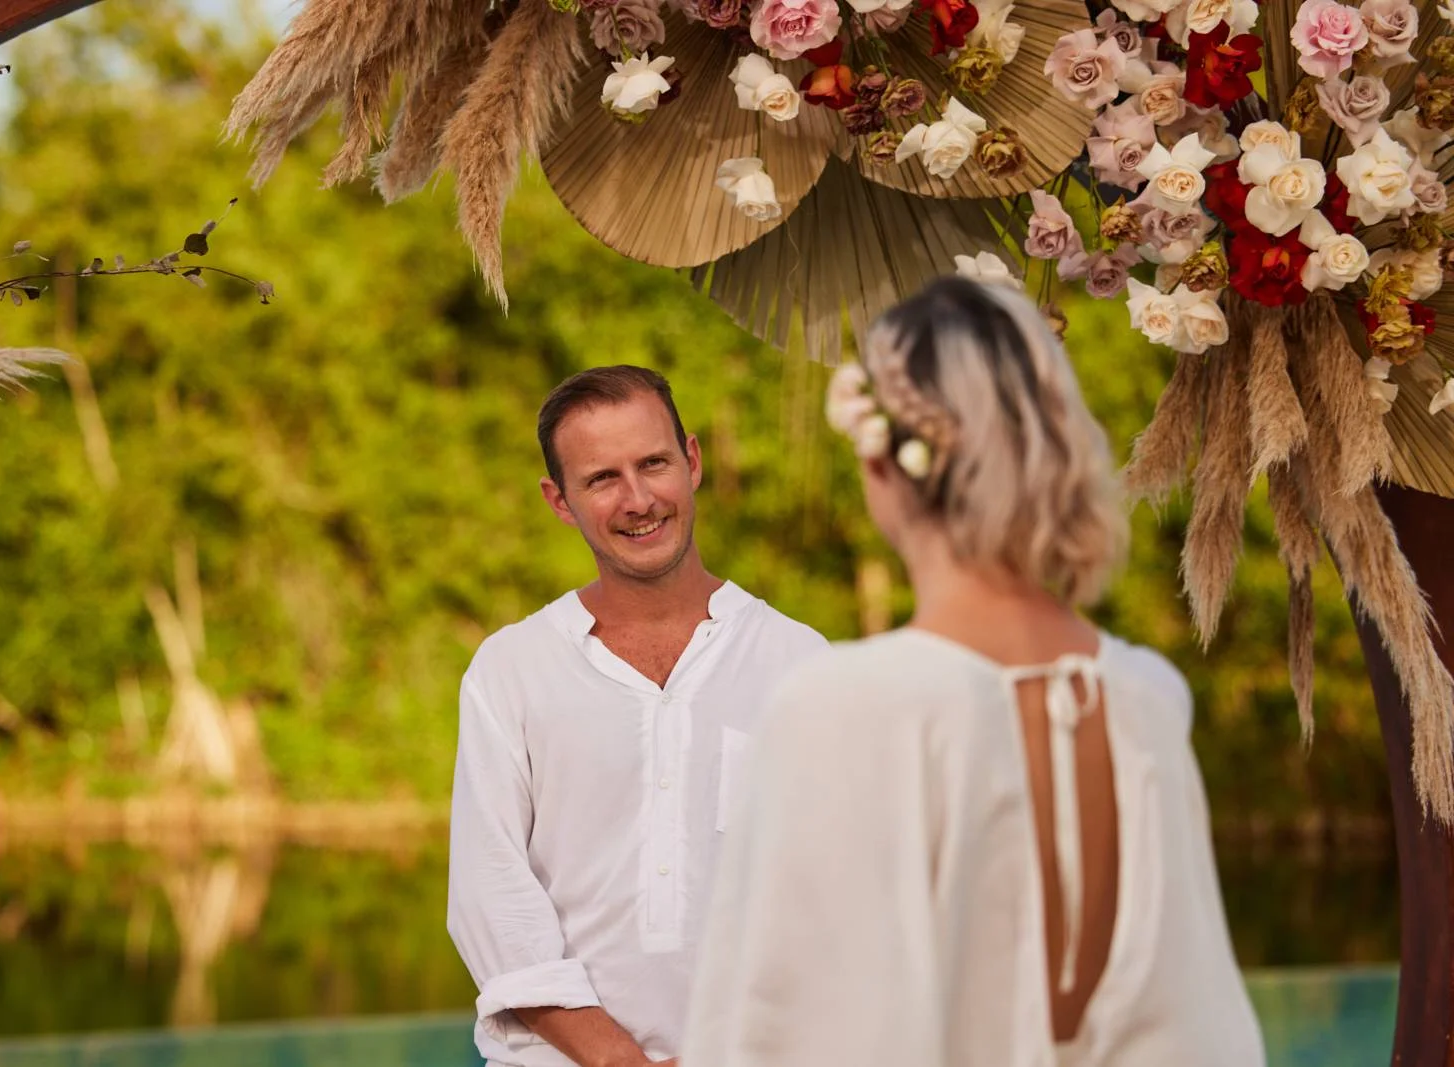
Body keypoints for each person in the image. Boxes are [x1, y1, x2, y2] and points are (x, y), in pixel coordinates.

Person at [682, 277, 1265, 1067]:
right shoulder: (1146, 697)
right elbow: (1194, 1020)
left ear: (881, 458)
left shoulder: (841, 706)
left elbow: (777, 1027)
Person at [448, 365, 828, 1067]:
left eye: (653, 464)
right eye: (602, 478)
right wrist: (618, 1061)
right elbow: (490, 895)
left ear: (692, 460)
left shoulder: (803, 665)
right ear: (559, 500)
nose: (638, 499)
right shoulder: (511, 671)